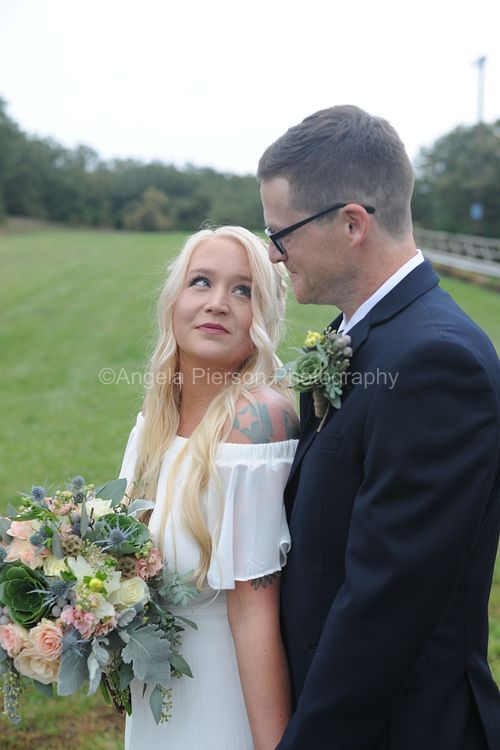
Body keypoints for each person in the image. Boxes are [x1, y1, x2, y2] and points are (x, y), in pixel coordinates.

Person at [258, 105, 500, 750]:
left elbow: (387, 606)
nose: (274, 256)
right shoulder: (363, 333)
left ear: (353, 224)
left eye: (280, 233)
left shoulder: (434, 361)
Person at [119, 225, 299, 750]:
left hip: (226, 699)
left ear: (262, 317)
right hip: (157, 694)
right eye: (201, 282)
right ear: (174, 300)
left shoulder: (256, 422)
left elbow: (253, 614)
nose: (218, 303)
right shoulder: (154, 420)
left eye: (243, 290)